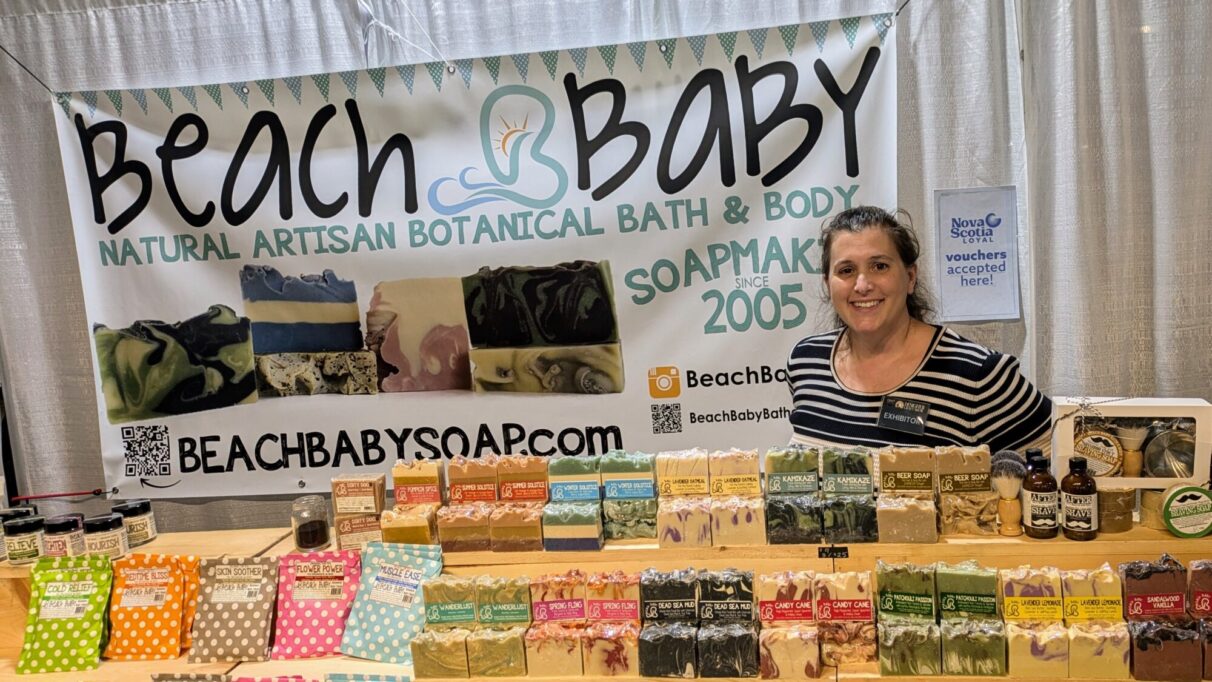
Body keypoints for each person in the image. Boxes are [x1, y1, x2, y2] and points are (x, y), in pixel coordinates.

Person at [788, 205, 1052, 453]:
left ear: (910, 277)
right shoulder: (807, 361)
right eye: (846, 270)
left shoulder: (977, 375)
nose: (862, 285)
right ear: (827, 284)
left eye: (879, 266)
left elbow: (1063, 460)